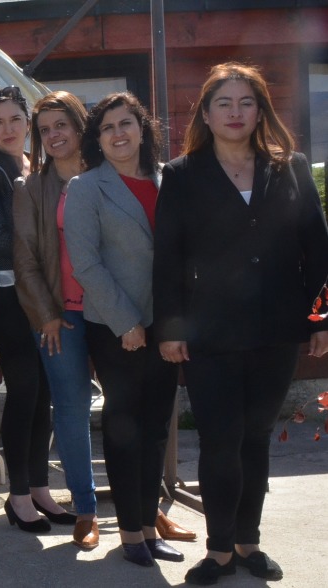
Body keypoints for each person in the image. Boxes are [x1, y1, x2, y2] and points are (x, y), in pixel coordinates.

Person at [153, 62, 328, 585]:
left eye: (245, 102)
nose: (235, 112)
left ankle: (249, 543)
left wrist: (321, 317)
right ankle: (220, 550)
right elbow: (169, 259)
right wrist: (171, 327)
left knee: (255, 438)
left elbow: (318, 248)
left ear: (260, 111)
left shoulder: (291, 166)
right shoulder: (183, 174)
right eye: (223, 103)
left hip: (277, 328)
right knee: (220, 438)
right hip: (211, 330)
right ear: (206, 114)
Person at [63, 92, 182, 567]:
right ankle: (130, 534)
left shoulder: (168, 180)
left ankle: (151, 528)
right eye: (107, 126)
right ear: (97, 138)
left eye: (126, 123)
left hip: (168, 324)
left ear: (142, 127)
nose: (118, 133)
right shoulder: (85, 187)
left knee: (156, 427)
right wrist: (125, 322)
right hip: (117, 326)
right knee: (125, 425)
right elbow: (86, 263)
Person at [0, 86, 68, 535]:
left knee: (44, 391)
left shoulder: (38, 166)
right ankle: (19, 495)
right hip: (8, 295)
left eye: (14, 119)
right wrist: (50, 253)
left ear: (27, 122)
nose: (8, 129)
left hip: (46, 293)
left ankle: (42, 488)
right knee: (25, 387)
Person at [11, 90, 99, 546]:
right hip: (58, 317)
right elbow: (24, 257)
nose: (53, 135)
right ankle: (85, 510)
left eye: (61, 125)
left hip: (112, 313)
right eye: (44, 130)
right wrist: (45, 314)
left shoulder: (107, 176)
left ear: (81, 125)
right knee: (70, 409)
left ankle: (142, 511)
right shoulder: (30, 188)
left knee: (131, 410)